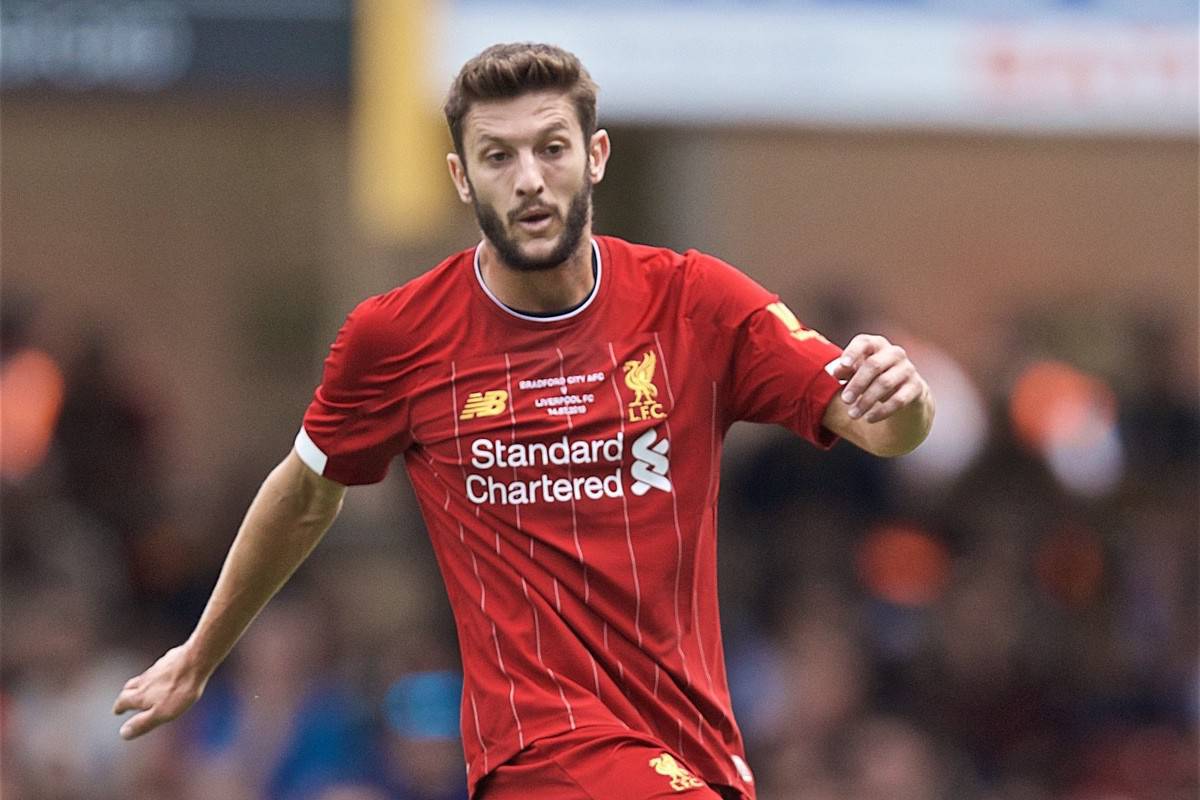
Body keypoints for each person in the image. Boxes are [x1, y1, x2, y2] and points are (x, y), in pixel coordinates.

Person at [113, 42, 934, 800]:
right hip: (536, 756)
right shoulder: (396, 336)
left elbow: (881, 428)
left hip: (693, 755)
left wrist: (905, 400)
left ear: (595, 156)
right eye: (497, 157)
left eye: (551, 148)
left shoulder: (695, 303)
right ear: (462, 178)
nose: (529, 179)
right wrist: (199, 655)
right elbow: (304, 493)